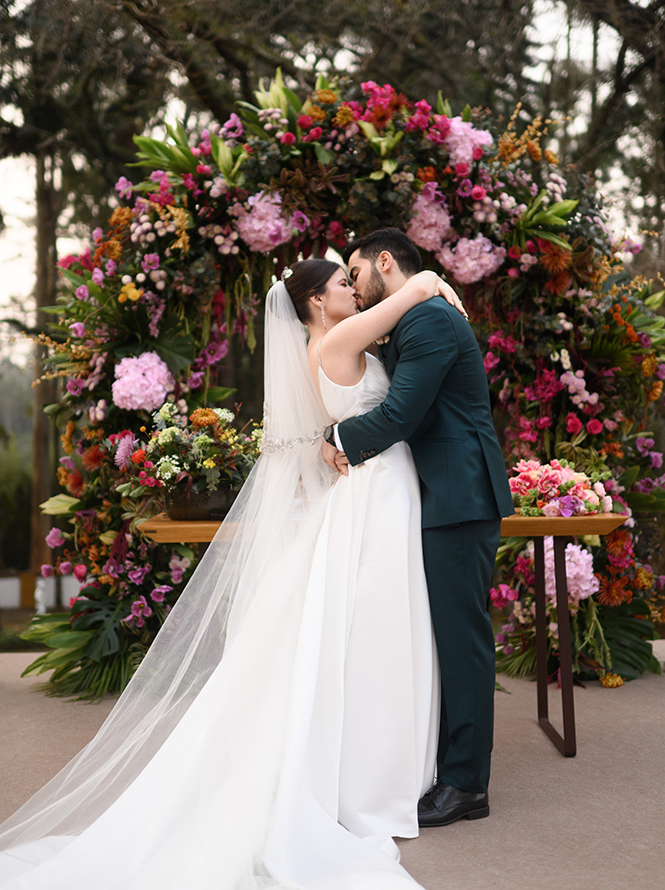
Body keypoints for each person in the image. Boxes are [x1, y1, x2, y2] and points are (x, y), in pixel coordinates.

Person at [0, 258, 466, 890]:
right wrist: (430, 282)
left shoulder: (323, 341)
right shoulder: (337, 338)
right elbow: (407, 295)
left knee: (367, 631)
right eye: (339, 284)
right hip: (375, 492)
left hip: (372, 489)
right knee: (376, 628)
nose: (351, 290)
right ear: (314, 303)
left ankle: (376, 764)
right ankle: (373, 776)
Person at [322, 228, 514, 828]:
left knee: (463, 642)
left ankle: (466, 785)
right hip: (446, 493)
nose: (354, 286)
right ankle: (450, 767)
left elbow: (402, 414)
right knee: (451, 638)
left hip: (459, 495)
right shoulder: (412, 316)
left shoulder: (427, 320)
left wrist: (337, 442)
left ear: (385, 262)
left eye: (355, 273)